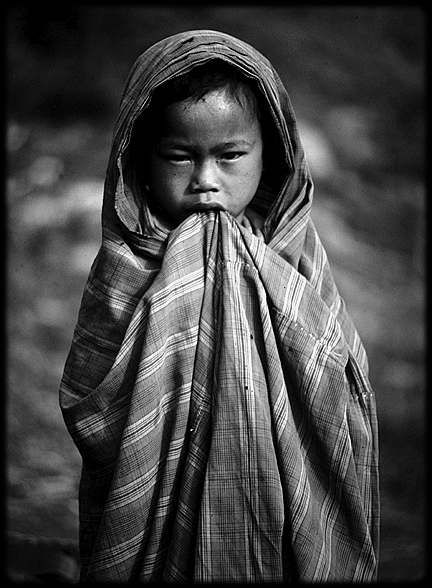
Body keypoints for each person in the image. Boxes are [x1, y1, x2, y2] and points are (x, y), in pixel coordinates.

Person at [59, 30, 379, 583]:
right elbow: (96, 389)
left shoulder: (293, 256)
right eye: (180, 157)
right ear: (139, 156)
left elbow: (339, 376)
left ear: (270, 151)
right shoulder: (126, 263)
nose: (206, 182)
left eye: (230, 155)